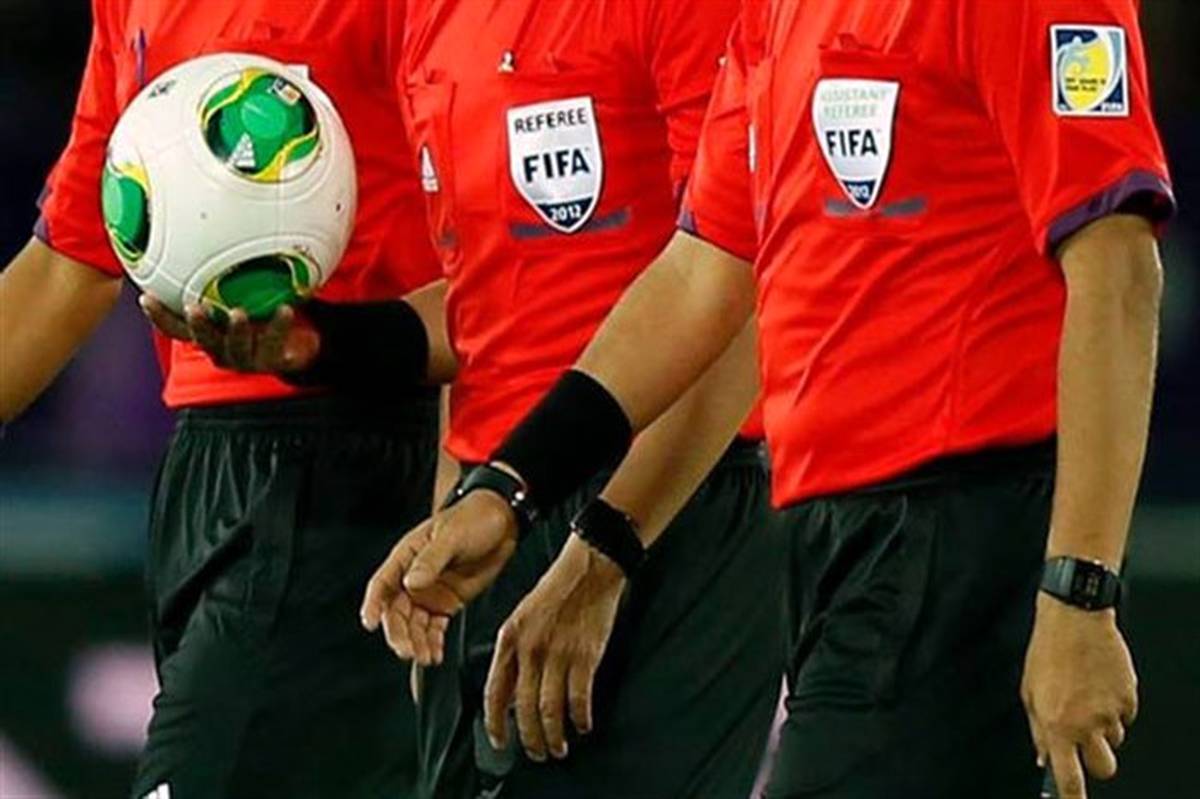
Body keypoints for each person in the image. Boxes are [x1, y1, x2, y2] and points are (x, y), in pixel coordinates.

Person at [377, 1, 1175, 798]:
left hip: (963, 530)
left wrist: (1080, 590)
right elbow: (702, 272)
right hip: (829, 539)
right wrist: (513, 488)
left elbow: (1120, 272)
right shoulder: (776, 15)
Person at [0, 2, 447, 797]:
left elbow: (497, 272)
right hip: (207, 470)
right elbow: (71, 260)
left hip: (360, 464)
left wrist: (465, 495)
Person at [356, 1, 785, 797]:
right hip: (502, 506)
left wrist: (605, 552)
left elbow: (739, 293)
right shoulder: (428, 18)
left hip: (670, 500)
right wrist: (454, 515)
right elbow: (480, 310)